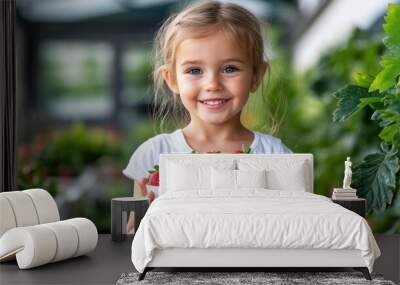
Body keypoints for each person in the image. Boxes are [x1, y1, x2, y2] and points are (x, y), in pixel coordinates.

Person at [123, 0, 293, 228]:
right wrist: (147, 216)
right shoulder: (153, 154)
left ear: (256, 76)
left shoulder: (277, 156)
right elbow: (133, 236)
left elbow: (294, 227)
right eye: (194, 70)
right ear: (172, 79)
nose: (212, 84)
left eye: (230, 69)